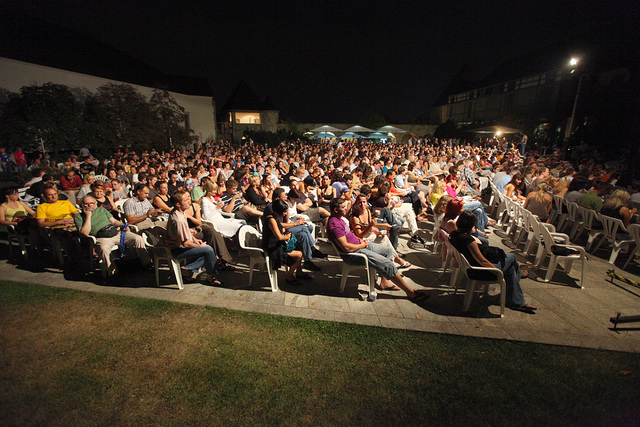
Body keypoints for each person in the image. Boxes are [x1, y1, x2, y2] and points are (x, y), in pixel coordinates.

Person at [326, 197, 428, 301]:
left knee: (387, 251)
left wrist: (359, 240)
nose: (346, 209)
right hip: (354, 254)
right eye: (343, 207)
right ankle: (410, 292)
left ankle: (384, 280)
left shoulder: (340, 219)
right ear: (336, 210)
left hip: (360, 245)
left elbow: (350, 234)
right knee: (387, 264)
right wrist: (361, 245)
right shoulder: (335, 225)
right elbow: (346, 247)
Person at [449, 211, 536, 312]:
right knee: (511, 257)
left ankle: (516, 300)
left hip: (469, 266)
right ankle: (518, 279)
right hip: (479, 271)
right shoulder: (469, 241)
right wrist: (497, 272)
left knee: (511, 269)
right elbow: (482, 261)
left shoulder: (454, 234)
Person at [75, 195, 151, 276]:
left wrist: (123, 225)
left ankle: (147, 264)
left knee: (137, 238)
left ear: (96, 203)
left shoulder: (101, 210)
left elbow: (114, 221)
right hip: (101, 237)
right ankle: (112, 273)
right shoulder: (78, 217)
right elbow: (84, 233)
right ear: (82, 205)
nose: (89, 206)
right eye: (86, 204)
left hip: (115, 232)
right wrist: (88, 216)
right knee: (104, 249)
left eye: (91, 203)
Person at [167, 189, 222, 285]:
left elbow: (186, 232)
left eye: (189, 198)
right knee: (208, 250)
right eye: (186, 200)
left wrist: (196, 240)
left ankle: (188, 268)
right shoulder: (178, 219)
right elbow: (185, 243)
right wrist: (199, 247)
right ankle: (211, 277)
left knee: (208, 249)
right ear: (178, 204)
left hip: (182, 246)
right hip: (177, 249)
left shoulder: (181, 213)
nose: (189, 201)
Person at [349, 194, 410, 280]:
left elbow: (369, 226)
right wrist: (372, 226)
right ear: (356, 204)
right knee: (385, 240)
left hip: (369, 235)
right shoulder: (355, 217)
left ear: (367, 203)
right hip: (361, 240)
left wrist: (377, 231)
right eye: (360, 202)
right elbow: (359, 235)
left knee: (384, 237)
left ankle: (391, 265)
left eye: (364, 202)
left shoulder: (367, 211)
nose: (362, 204)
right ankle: (394, 263)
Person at [261, 200, 304, 285]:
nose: (285, 213)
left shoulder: (273, 218)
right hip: (273, 248)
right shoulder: (271, 220)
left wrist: (292, 226)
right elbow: (279, 237)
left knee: (298, 247)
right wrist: (287, 236)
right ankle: (289, 275)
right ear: (278, 211)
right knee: (299, 254)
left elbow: (281, 227)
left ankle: (298, 272)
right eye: (284, 212)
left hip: (276, 245)